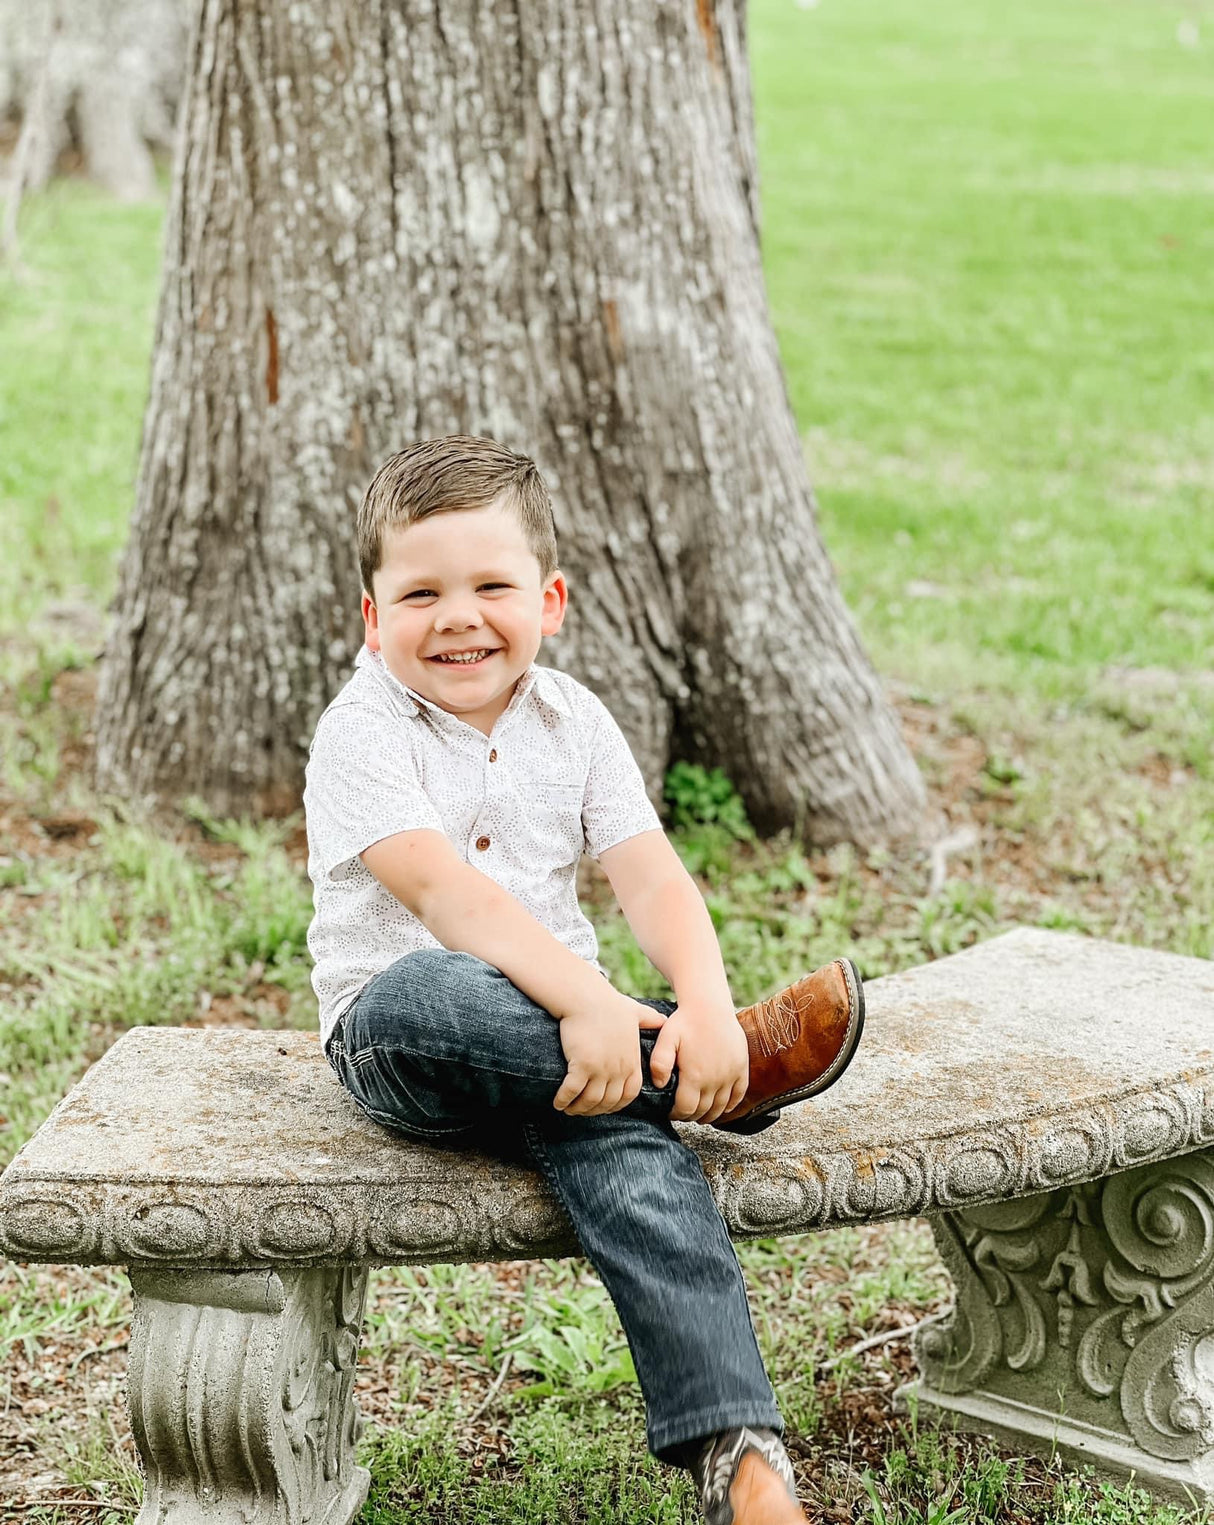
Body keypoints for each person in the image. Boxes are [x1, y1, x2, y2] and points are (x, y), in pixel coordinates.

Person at [304, 436, 864, 1525]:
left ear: (548, 601)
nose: (458, 617)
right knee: (434, 986)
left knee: (642, 1175)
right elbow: (445, 897)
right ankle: (711, 1072)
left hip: (584, 1053)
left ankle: (741, 1459)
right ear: (373, 618)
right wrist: (599, 1004)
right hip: (410, 1037)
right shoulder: (360, 731)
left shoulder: (577, 720)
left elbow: (649, 876)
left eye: (491, 586)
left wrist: (703, 998)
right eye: (419, 594)